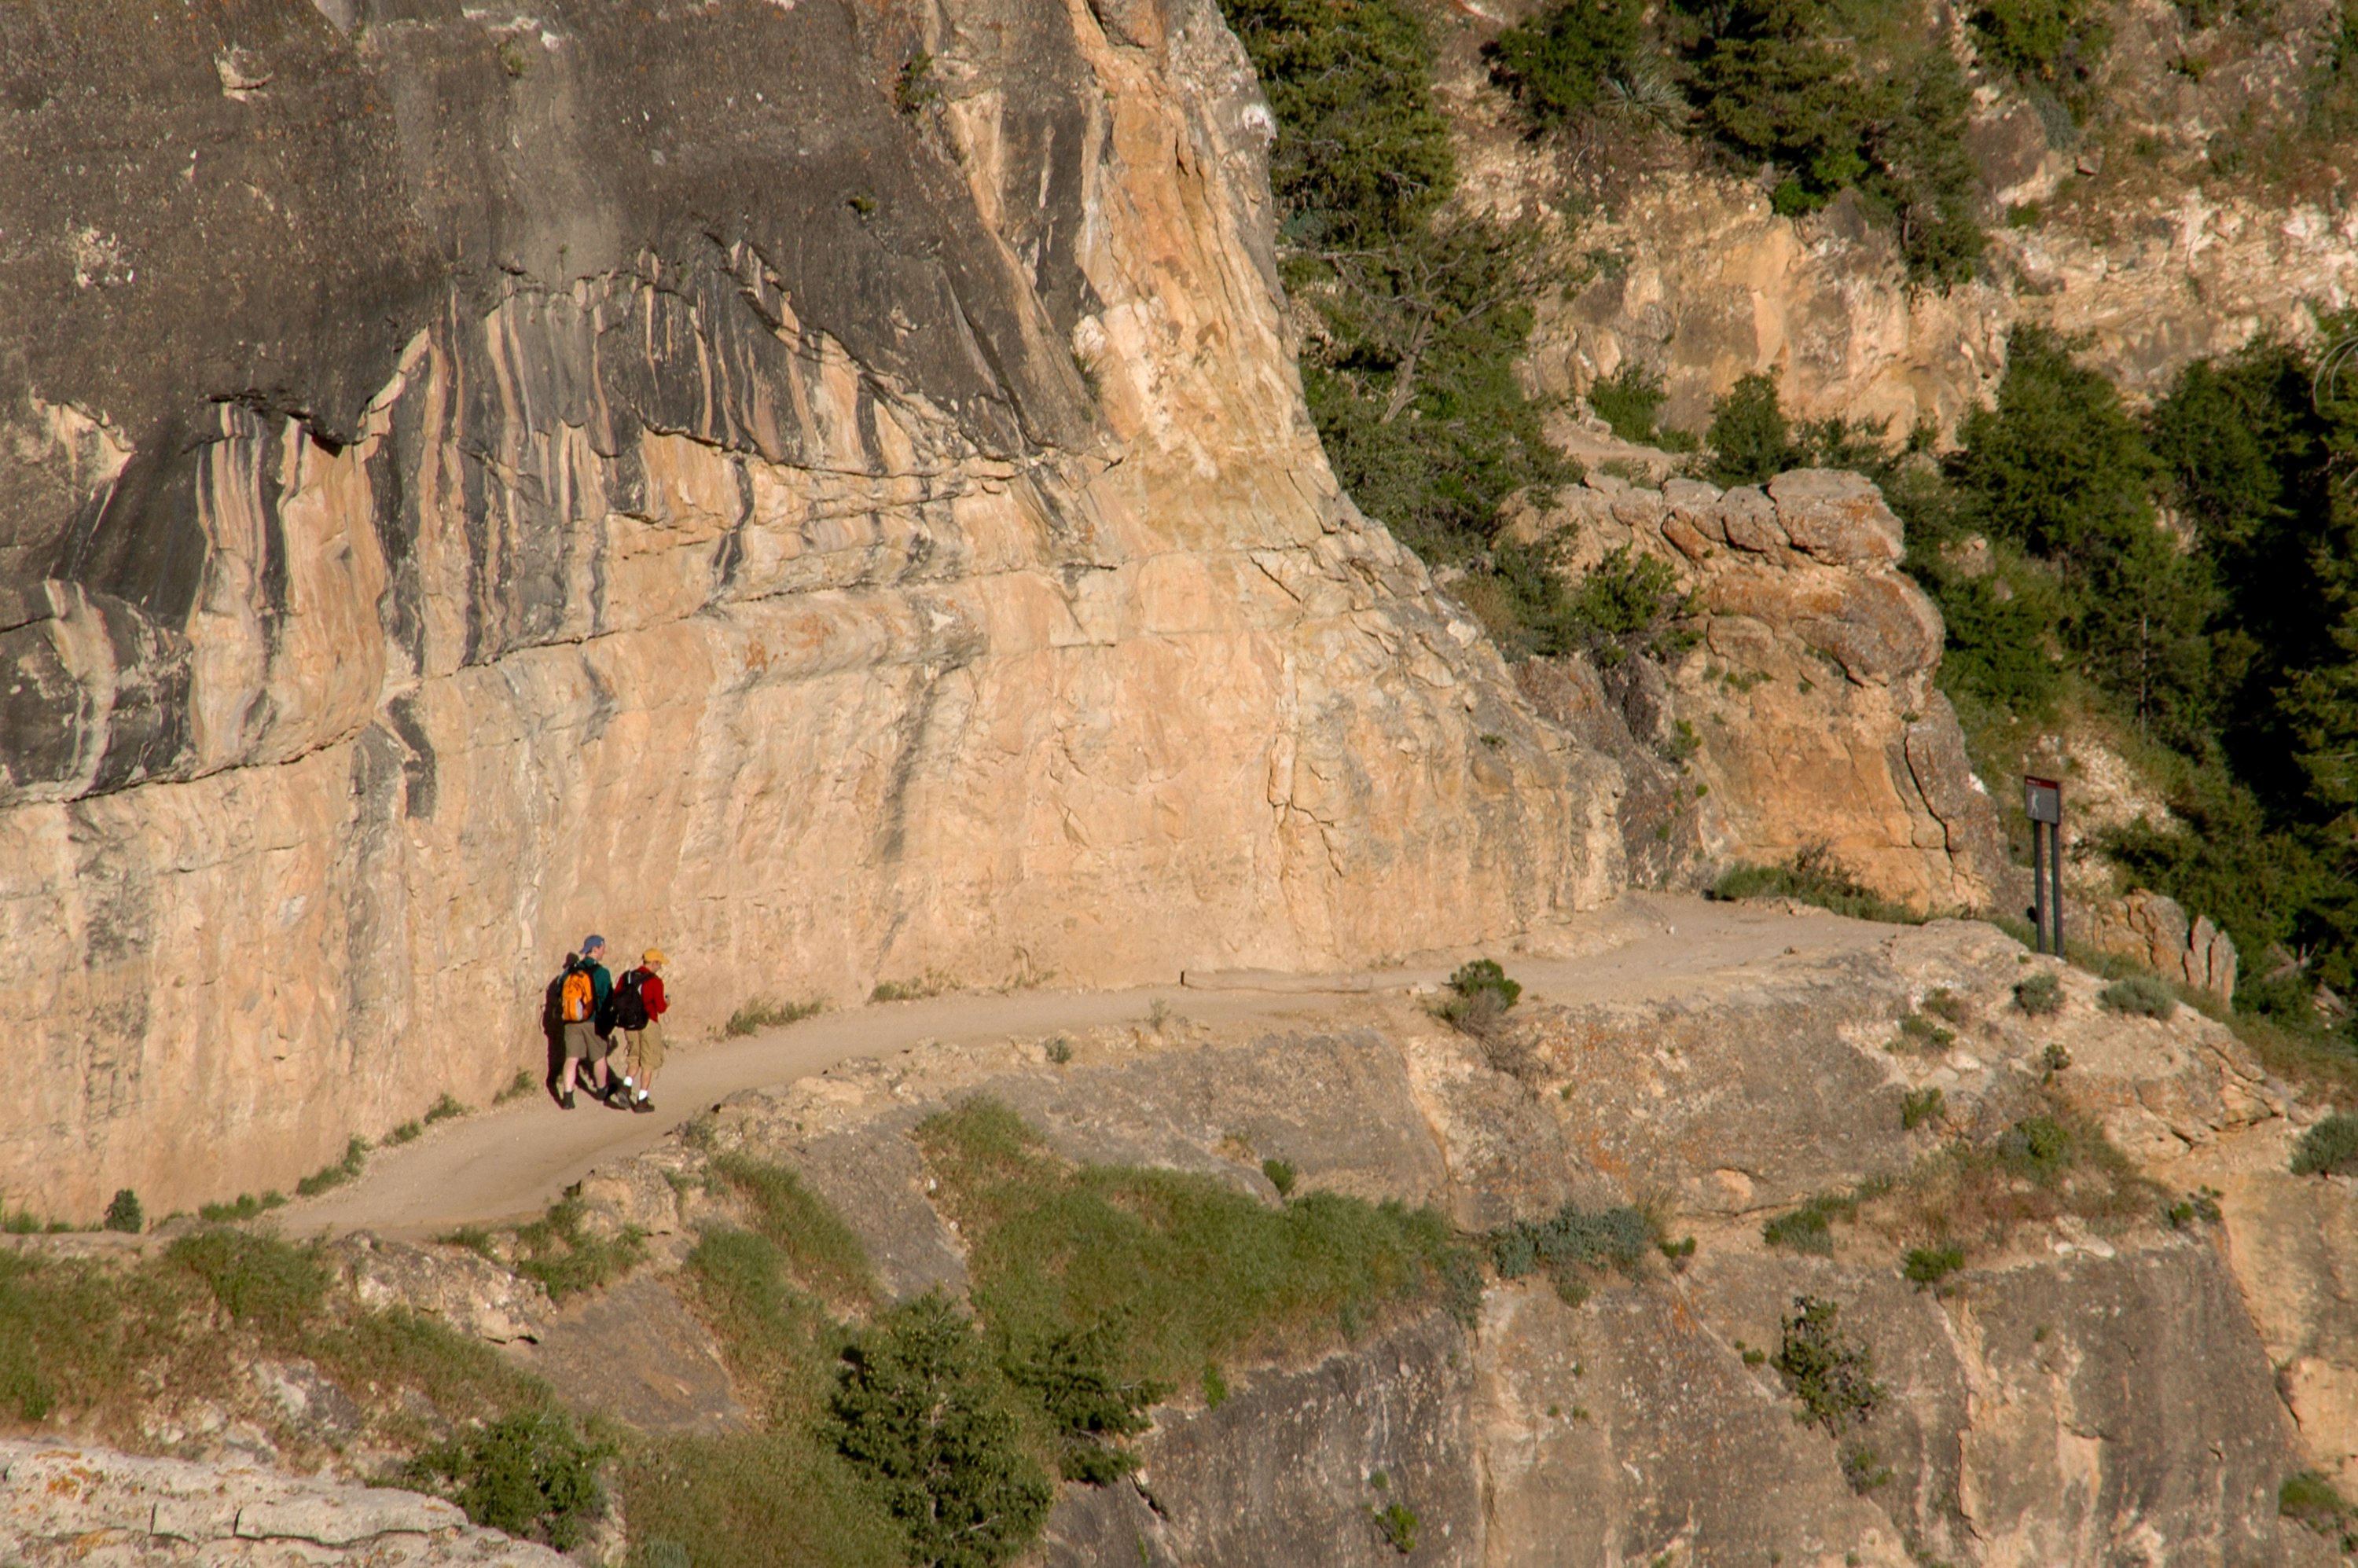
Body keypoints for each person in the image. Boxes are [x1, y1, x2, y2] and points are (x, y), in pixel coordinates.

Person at [556, 935, 615, 1109]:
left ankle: (567, 1097)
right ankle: (601, 1090)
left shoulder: (570, 972)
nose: (604, 951)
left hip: (571, 1020)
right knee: (598, 1057)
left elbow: (560, 990)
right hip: (592, 1021)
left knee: (572, 1058)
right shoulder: (602, 973)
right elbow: (607, 998)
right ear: (596, 949)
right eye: (603, 947)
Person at [613, 949, 670, 1114]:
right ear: (654, 963)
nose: (660, 967)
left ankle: (626, 1086)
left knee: (634, 1057)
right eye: (659, 964)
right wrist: (667, 1003)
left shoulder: (627, 977)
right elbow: (660, 1008)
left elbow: (616, 997)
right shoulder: (655, 982)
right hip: (648, 1024)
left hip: (629, 1024)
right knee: (648, 1062)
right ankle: (642, 1100)